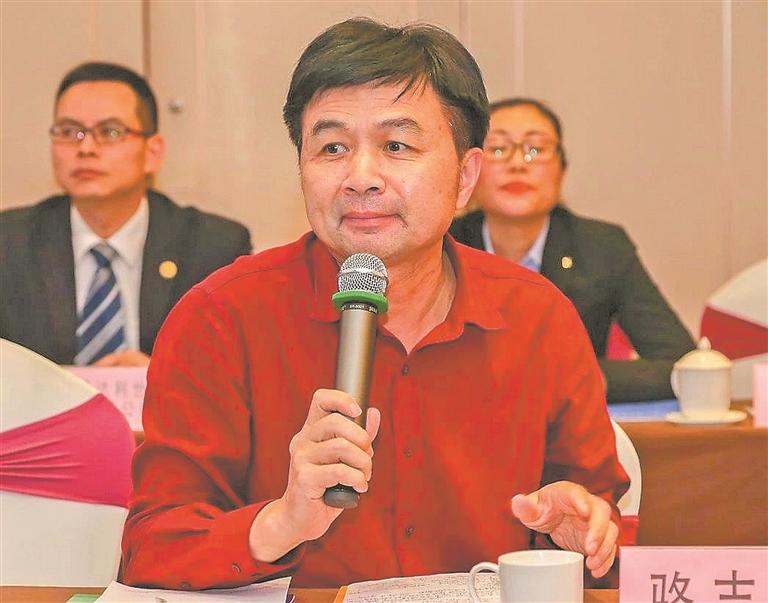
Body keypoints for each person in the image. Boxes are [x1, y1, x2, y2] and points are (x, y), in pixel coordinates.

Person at [121, 19, 628, 590]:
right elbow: (152, 548)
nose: (360, 178)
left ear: (465, 177)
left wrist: (577, 535)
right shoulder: (221, 317)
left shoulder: (538, 318)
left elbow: (600, 524)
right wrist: (281, 522)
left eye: (396, 146)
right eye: (332, 147)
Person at [0, 62, 252, 367]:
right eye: (69, 132)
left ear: (152, 152)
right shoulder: (9, 245)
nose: (86, 148)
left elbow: (234, 368)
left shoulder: (213, 247)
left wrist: (162, 378)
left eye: (110, 132)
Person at [450, 98, 695, 402]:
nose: (518, 164)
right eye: (498, 149)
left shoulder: (602, 247)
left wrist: (567, 376)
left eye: (535, 149)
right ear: (469, 171)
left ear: (561, 171)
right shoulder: (441, 246)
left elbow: (684, 367)